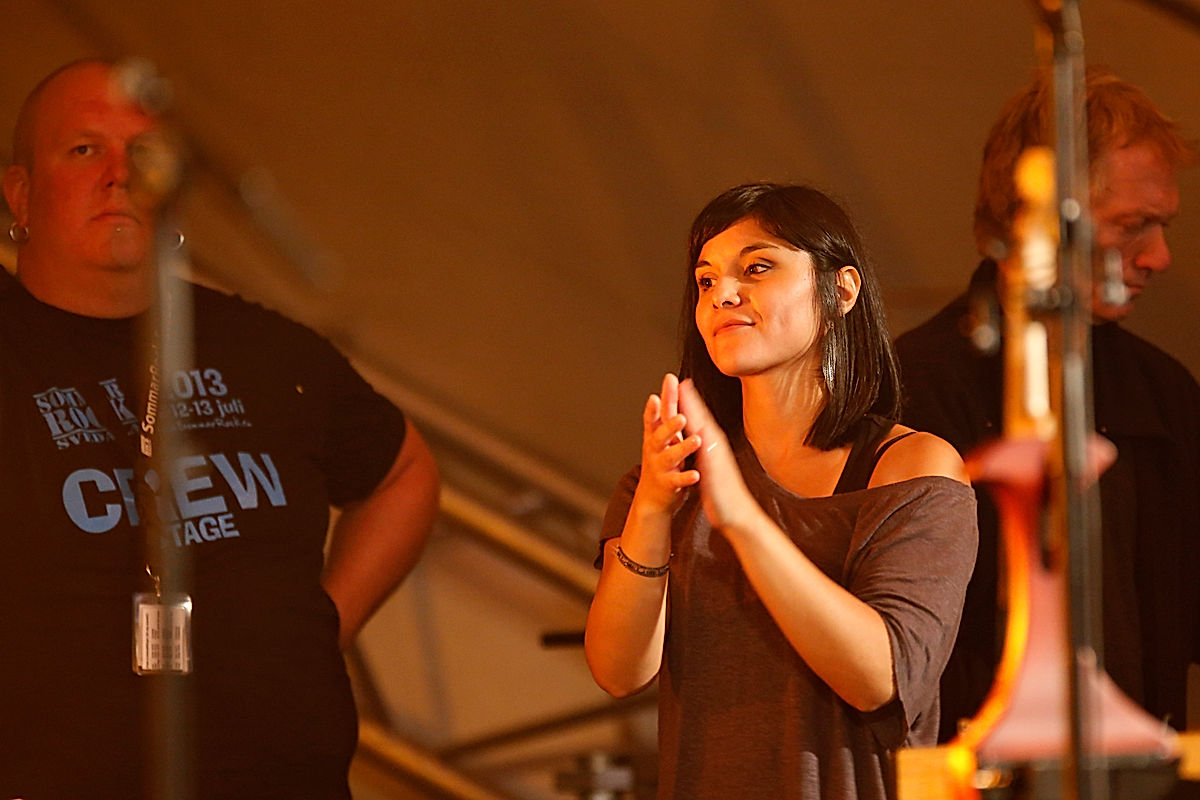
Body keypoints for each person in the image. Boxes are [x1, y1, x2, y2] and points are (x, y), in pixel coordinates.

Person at [0, 59, 440, 798]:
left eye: (143, 154)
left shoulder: (264, 348)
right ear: (19, 193)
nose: (119, 175)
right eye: (84, 150)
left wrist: (324, 625)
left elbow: (403, 473)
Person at [584, 183, 978, 799]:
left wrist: (742, 518)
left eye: (758, 268)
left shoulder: (910, 468)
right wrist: (655, 508)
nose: (724, 295)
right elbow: (618, 670)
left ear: (842, 290)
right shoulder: (668, 472)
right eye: (706, 281)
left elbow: (881, 676)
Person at [895, 66, 1200, 744]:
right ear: (1035, 217)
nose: (1160, 256)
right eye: (1132, 226)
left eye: (1163, 225)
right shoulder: (917, 386)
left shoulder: (1167, 393)